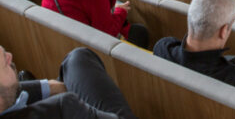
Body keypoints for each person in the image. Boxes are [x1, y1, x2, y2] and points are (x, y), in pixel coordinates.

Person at [0, 46, 137, 118]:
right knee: (79, 58)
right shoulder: (62, 108)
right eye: (3, 63)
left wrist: (50, 86)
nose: (9, 56)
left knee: (77, 58)